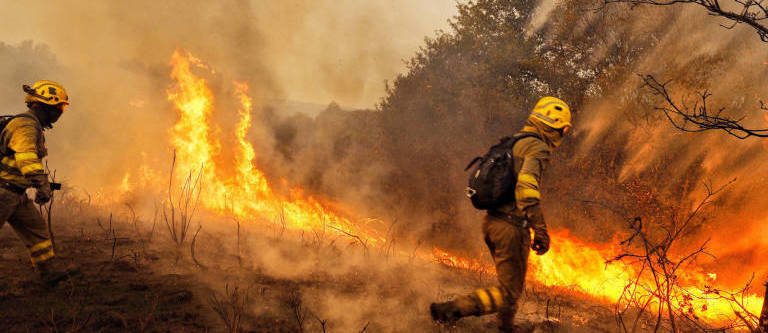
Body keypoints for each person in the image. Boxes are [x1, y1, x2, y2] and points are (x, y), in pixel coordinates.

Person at [430, 96, 572, 332]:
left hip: (492, 223)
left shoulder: (515, 141)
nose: (562, 135)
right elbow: (527, 190)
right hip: (511, 227)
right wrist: (541, 229)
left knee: (510, 286)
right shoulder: (537, 147)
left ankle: (506, 327)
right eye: (563, 129)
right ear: (553, 125)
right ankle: (450, 310)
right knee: (508, 294)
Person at [0, 80, 69, 286]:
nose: (59, 112)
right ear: (39, 106)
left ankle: (49, 272)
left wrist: (37, 185)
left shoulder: (33, 126)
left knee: (37, 232)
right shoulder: (25, 126)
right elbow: (27, 158)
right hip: (3, 192)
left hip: (16, 194)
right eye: (57, 107)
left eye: (62, 107)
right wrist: (41, 183)